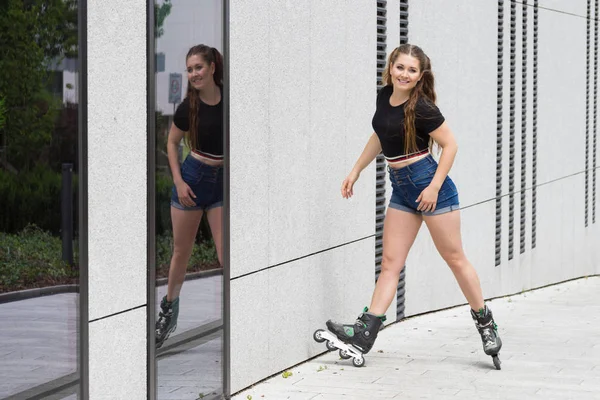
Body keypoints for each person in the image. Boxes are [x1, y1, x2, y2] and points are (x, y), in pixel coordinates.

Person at [325, 44, 502, 365]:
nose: (404, 74)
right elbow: (380, 136)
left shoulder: (422, 107)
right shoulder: (384, 97)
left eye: (412, 70)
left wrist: (434, 187)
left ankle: (486, 323)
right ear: (391, 66)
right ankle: (365, 333)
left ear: (420, 76)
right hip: (402, 188)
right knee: (390, 262)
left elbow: (450, 145)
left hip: (430, 184)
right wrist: (356, 170)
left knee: (454, 258)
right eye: (400, 67)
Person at [156, 44, 224, 348]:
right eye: (190, 69)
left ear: (211, 68)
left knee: (226, 257)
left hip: (222, 183)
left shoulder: (229, 100)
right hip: (194, 178)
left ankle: (238, 314)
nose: (194, 74)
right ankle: (169, 311)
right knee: (181, 253)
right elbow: (171, 143)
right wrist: (179, 182)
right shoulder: (187, 107)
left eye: (198, 67)